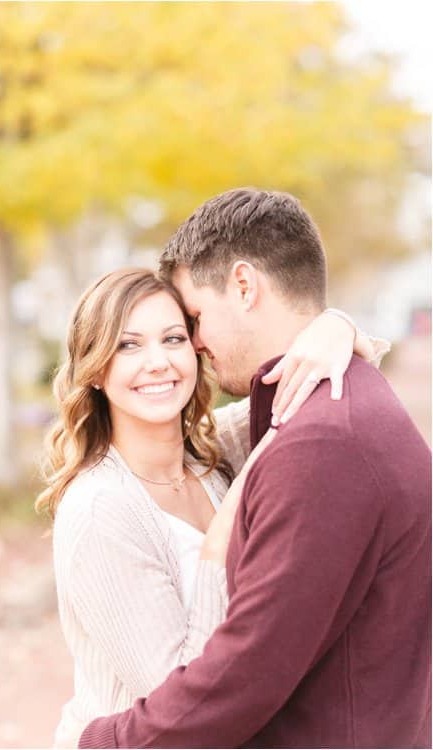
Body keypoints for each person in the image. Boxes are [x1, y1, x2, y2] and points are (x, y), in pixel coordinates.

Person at [77, 188, 431, 748]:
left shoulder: (283, 442)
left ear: (244, 286)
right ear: (94, 368)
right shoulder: (297, 421)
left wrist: (101, 741)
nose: (189, 348)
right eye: (127, 345)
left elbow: (245, 673)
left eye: (185, 325)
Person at [40, 266, 384, 748]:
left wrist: (336, 326)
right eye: (128, 345)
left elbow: (313, 378)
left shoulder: (215, 447)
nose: (158, 362)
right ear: (96, 369)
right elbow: (178, 706)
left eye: (174, 338)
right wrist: (219, 542)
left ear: (197, 348)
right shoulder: (101, 509)